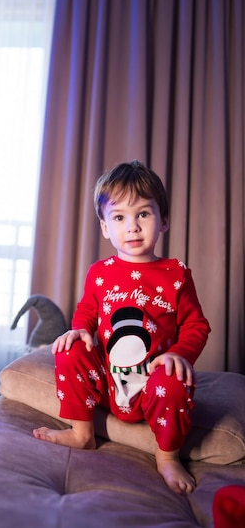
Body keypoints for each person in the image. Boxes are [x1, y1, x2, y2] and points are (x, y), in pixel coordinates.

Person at [33, 160, 211, 495]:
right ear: (104, 227)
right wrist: (80, 330)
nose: (132, 227)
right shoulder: (99, 273)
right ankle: (82, 434)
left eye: (143, 214)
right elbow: (86, 311)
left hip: (153, 385)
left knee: (173, 380)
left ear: (164, 221)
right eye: (119, 217)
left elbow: (196, 325)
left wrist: (179, 355)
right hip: (107, 383)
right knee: (70, 348)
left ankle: (167, 457)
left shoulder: (176, 274)